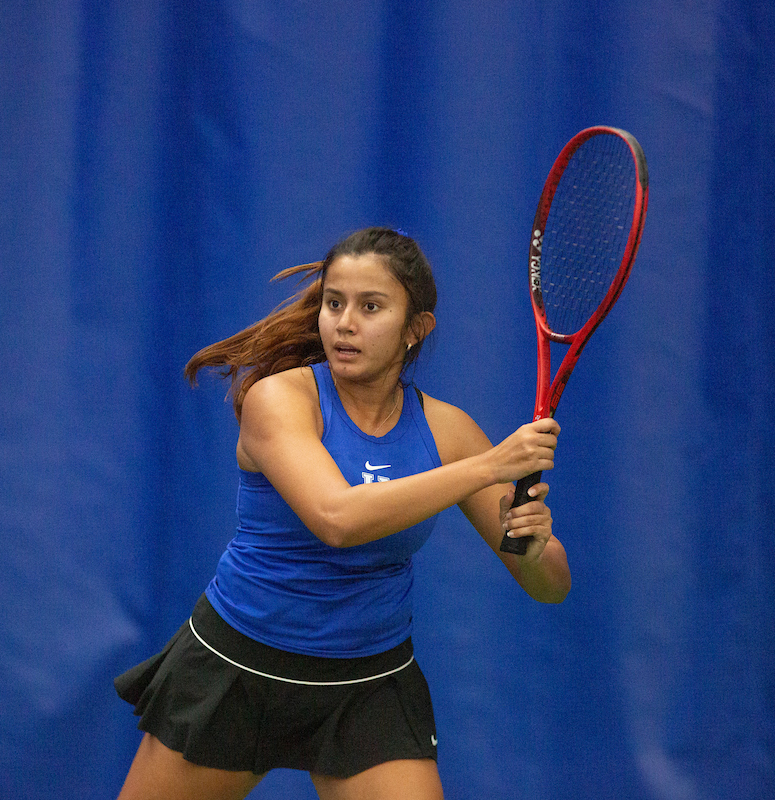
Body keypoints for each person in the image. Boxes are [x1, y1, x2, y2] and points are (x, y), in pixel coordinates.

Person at [115, 227, 570, 800]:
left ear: (416, 328)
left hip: (368, 684)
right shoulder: (279, 399)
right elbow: (337, 519)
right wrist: (488, 467)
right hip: (240, 665)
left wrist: (530, 548)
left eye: (370, 307)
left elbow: (550, 586)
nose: (344, 323)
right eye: (334, 304)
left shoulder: (448, 431)